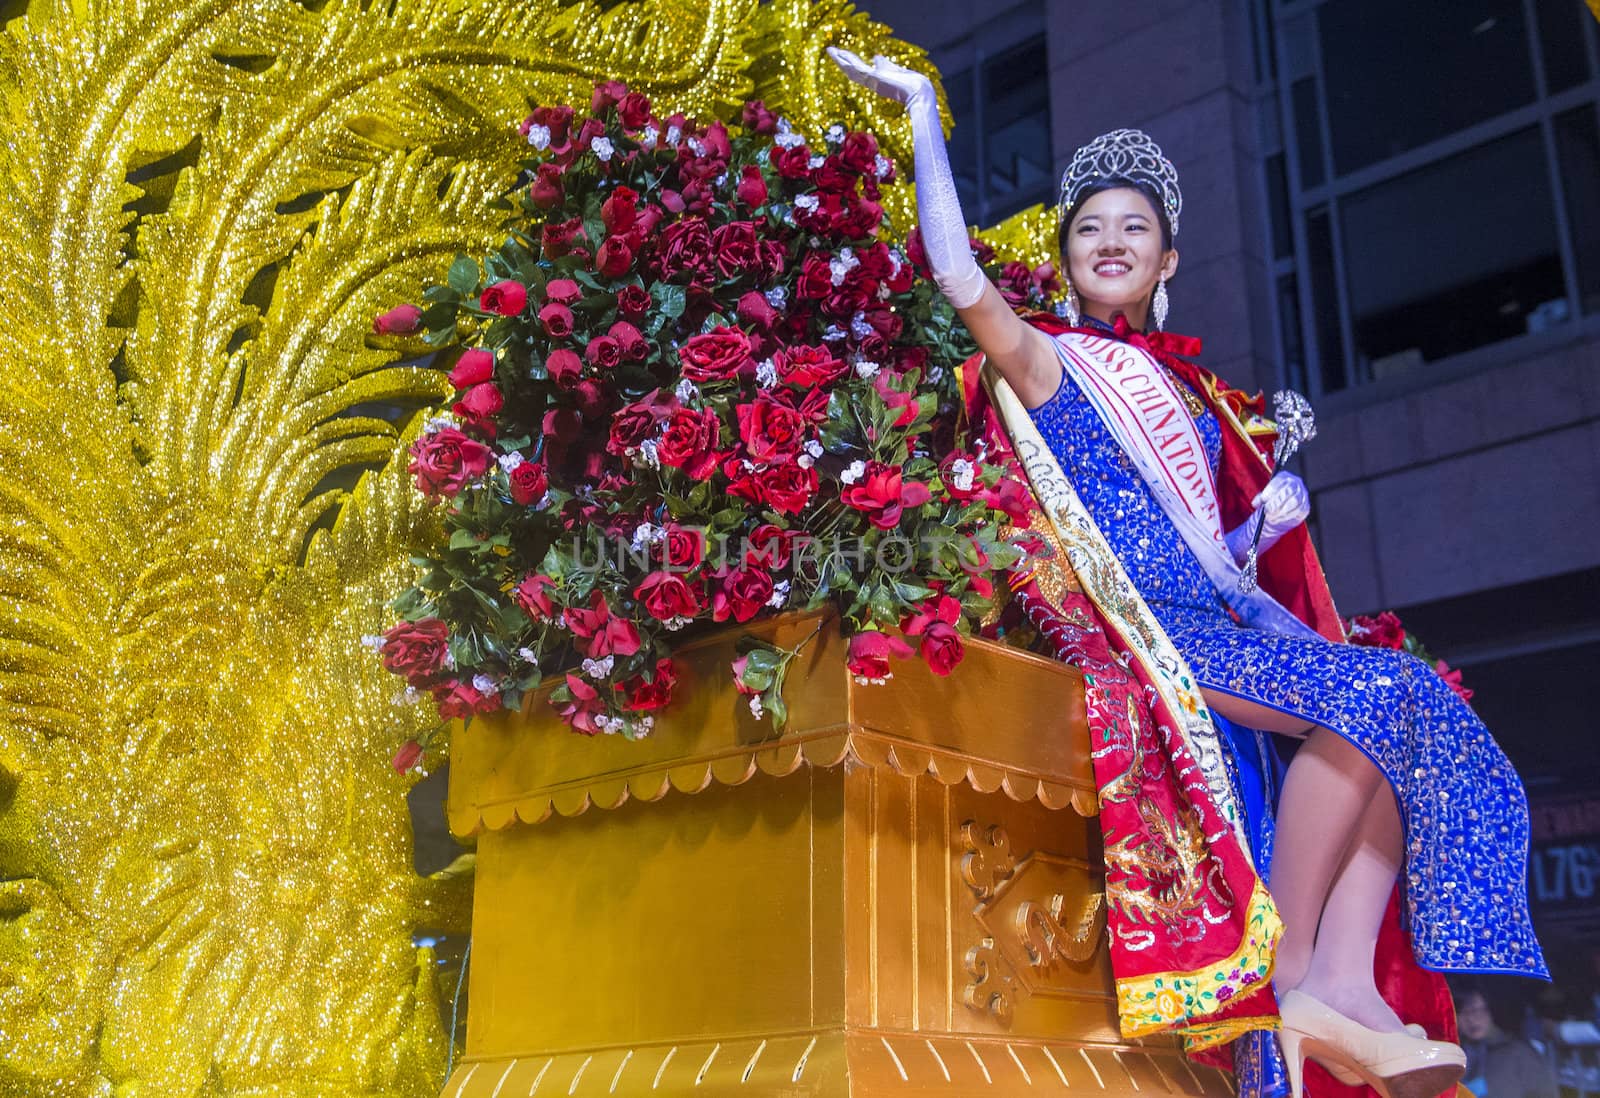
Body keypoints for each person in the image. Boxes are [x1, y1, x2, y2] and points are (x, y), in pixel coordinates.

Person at [828, 46, 1548, 1098]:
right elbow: (956, 277)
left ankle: (1343, 980)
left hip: (1232, 627)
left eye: (1134, 227)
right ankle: (1294, 969)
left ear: (1167, 259)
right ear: (1067, 258)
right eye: (1088, 227)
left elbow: (1223, 557)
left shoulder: (1201, 403)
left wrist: (1271, 557)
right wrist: (926, 122)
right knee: (1374, 700)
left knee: (1419, 706)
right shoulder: (1052, 366)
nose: (1109, 241)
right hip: (1161, 637)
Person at [1455, 986, 1558, 1098]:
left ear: (1492, 1012)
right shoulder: (1451, 1059)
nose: (1472, 1018)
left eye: (1479, 1010)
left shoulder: (1518, 1052)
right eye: (1464, 1012)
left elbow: (1545, 1092)